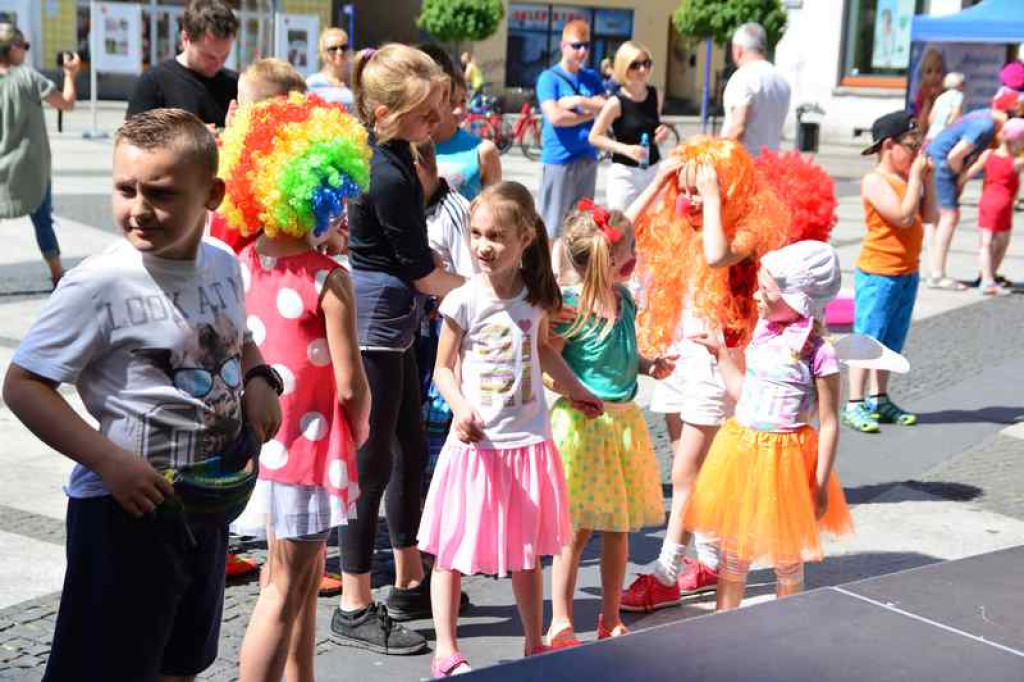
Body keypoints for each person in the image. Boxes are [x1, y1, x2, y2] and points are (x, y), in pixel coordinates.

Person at [3, 108, 282, 681]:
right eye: (125, 189)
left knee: (182, 660)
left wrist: (260, 378)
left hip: (206, 506)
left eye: (160, 193)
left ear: (213, 194)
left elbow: (240, 338)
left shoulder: (225, 264)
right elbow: (24, 383)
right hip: (124, 515)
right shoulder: (100, 283)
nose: (138, 208)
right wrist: (107, 461)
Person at [418, 181, 602, 677]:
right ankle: (446, 649)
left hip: (525, 444)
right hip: (476, 445)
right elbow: (442, 368)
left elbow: (542, 352)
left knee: (526, 552)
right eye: (477, 234)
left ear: (525, 238)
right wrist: (459, 408)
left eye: (496, 235)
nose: (483, 245)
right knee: (451, 549)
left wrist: (576, 389)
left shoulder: (537, 298)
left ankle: (533, 640)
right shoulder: (464, 299)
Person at [217, 93, 371, 682]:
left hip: (263, 446)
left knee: (298, 580)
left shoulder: (244, 262)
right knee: (284, 589)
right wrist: (359, 428)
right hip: (310, 451)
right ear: (324, 194)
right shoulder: (330, 279)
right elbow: (352, 382)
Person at [332, 44, 464, 655]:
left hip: (394, 316)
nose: (434, 123)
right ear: (387, 110)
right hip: (380, 321)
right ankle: (355, 602)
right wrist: (493, 290)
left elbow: (415, 259)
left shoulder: (390, 155)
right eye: (425, 113)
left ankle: (410, 575)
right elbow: (419, 270)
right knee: (373, 458)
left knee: (409, 442)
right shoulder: (384, 169)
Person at [620, 138, 790, 612]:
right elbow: (615, 237)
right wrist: (659, 181)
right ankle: (710, 560)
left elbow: (718, 256)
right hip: (681, 354)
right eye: (686, 191)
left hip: (720, 360)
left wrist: (713, 193)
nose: (690, 201)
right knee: (690, 467)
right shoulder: (681, 223)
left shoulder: (750, 228)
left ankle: (667, 570)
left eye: (700, 191)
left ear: (727, 189)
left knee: (688, 471)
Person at [686, 240, 854, 611]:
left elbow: (828, 423)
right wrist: (722, 355)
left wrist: (821, 483)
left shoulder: (818, 351)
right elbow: (744, 393)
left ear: (798, 300)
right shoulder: (765, 330)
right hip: (742, 450)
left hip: (786, 459)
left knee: (786, 555)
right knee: (733, 550)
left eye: (765, 291)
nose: (756, 297)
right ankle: (723, 623)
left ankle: (785, 623)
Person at [544, 197, 675, 647]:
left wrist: (647, 365)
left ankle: (610, 615)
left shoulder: (624, 299)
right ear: (607, 263)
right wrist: (575, 393)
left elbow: (623, 354)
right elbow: (549, 367)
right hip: (583, 428)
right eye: (628, 254)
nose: (635, 259)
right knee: (575, 531)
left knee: (618, 528)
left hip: (622, 423)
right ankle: (560, 619)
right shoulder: (570, 309)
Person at [842, 111, 936, 433]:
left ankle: (879, 398)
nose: (916, 154)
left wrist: (928, 180)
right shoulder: (875, 181)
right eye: (911, 147)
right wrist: (915, 180)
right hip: (879, 273)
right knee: (868, 340)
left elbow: (931, 215)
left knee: (892, 342)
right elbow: (903, 217)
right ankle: (854, 403)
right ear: (889, 145)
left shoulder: (907, 179)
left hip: (907, 272)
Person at [0, 24, 79, 289]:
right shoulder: (28, 78)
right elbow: (66, 103)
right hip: (32, 169)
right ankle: (57, 275)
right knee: (43, 222)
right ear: (13, 48)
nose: (26, 52)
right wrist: (70, 74)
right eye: (25, 46)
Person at [924, 86, 1023, 289]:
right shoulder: (985, 125)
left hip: (934, 157)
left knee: (938, 218)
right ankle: (937, 275)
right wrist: (957, 178)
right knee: (949, 216)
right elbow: (955, 155)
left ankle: (936, 271)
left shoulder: (983, 115)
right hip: (942, 161)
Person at [208, 58, 308, 256]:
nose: (234, 107)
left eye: (242, 103)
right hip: (242, 254)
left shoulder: (277, 158)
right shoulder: (239, 151)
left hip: (243, 255)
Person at [536, 19, 607, 239]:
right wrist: (590, 111)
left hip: (587, 156)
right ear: (563, 46)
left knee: (582, 227)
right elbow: (556, 117)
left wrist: (577, 101)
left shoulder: (592, 77)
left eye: (586, 45)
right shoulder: (549, 78)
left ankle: (572, 272)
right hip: (560, 159)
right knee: (552, 227)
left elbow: (607, 106)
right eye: (576, 45)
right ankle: (548, 272)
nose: (582, 51)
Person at [126, 0, 239, 128]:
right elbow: (130, 141)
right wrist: (188, 139)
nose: (218, 64)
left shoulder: (236, 84)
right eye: (209, 57)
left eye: (224, 56)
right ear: (185, 38)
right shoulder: (154, 82)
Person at [588, 41, 668, 211]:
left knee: (653, 228)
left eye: (646, 63)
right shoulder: (615, 102)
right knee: (623, 228)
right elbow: (594, 136)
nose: (642, 70)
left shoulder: (656, 95)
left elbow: (652, 128)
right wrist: (625, 149)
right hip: (625, 174)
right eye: (635, 65)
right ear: (623, 68)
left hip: (653, 170)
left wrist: (660, 133)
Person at [420, 44, 501, 201]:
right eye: (451, 102)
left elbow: (494, 216)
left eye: (463, 101)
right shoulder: (405, 148)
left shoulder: (483, 152)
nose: (459, 111)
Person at [964, 118, 1024, 296]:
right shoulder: (1016, 162)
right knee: (1002, 242)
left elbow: (970, 172)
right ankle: (989, 278)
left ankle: (987, 276)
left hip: (987, 201)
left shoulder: (988, 154)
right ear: (1018, 141)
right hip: (1004, 205)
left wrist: (958, 184)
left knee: (986, 243)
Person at [720, 23, 791, 157]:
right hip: (771, 164)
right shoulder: (781, 80)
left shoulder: (743, 77)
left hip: (745, 167)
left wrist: (718, 157)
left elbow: (738, 128)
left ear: (738, 50)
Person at [306, 27, 354, 107]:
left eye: (344, 47)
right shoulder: (312, 84)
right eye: (333, 49)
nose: (339, 52)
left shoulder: (359, 81)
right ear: (323, 54)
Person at [913, 48, 945, 137]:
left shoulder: (946, 94)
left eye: (938, 71)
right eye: (929, 72)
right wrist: (928, 100)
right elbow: (921, 127)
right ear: (923, 74)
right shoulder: (922, 93)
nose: (933, 76)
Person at [925, 72, 964, 142]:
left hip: (931, 135)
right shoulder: (958, 96)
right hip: (944, 136)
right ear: (959, 84)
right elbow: (955, 115)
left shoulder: (940, 97)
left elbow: (930, 118)